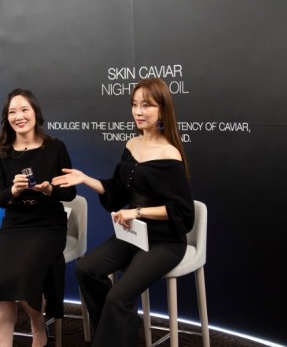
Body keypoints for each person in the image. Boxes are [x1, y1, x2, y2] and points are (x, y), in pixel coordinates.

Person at [51, 77, 195, 346]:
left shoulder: (170, 154)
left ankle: (112, 335)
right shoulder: (132, 144)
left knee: (119, 297)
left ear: (162, 110)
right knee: (87, 270)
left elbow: (183, 212)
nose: (138, 111)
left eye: (146, 105)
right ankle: (120, 328)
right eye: (134, 104)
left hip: (165, 241)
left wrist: (137, 212)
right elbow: (117, 190)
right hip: (134, 235)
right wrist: (86, 179)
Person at [0, 88, 77, 347]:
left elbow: (70, 192)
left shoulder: (56, 148)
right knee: (3, 286)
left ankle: (38, 326)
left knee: (25, 274)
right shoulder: (0, 152)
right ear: (6, 118)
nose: (19, 116)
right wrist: (14, 191)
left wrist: (50, 190)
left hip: (48, 224)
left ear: (35, 113)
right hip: (15, 225)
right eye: (12, 112)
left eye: (24, 110)